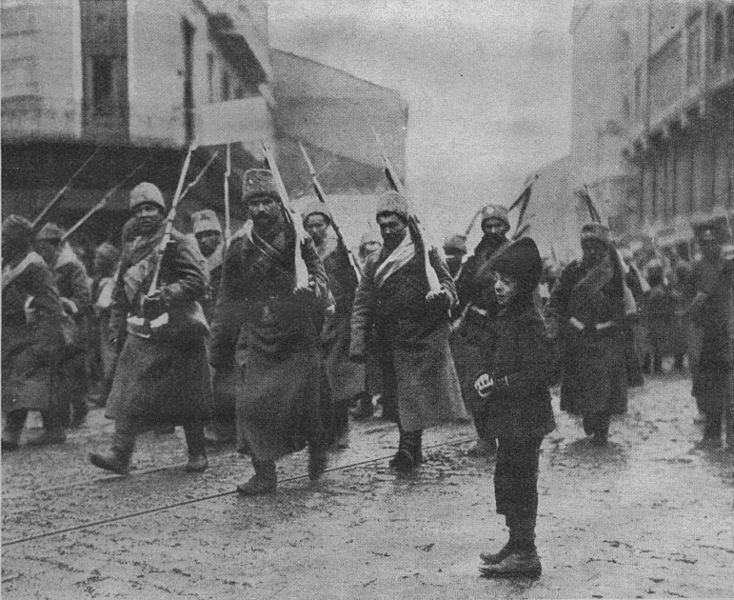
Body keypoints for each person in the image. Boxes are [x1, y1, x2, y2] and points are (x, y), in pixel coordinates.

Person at [210, 169, 331, 495]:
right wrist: (219, 340)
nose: (260, 210)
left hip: (296, 333)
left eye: (266, 201)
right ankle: (264, 473)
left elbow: (320, 279)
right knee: (250, 404)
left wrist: (311, 291)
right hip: (258, 334)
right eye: (254, 203)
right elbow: (228, 297)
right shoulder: (238, 247)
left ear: (278, 203)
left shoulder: (298, 239)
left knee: (303, 404)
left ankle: (317, 448)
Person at [89, 182, 212, 474]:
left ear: (161, 210)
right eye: (139, 210)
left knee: (187, 395)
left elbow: (197, 281)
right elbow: (121, 291)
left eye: (151, 208)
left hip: (178, 329)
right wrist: (117, 326)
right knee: (129, 393)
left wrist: (167, 294)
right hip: (143, 331)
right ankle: (120, 454)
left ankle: (197, 453)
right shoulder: (131, 246)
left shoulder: (177, 241)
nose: (145, 214)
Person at [350, 191, 467, 475]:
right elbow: (363, 302)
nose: (388, 231)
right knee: (399, 397)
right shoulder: (374, 260)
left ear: (405, 223)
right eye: (384, 226)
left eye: (394, 225)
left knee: (412, 394)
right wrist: (358, 341)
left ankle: (407, 447)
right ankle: (411, 446)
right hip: (390, 338)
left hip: (424, 335)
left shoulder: (426, 251)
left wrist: (444, 298)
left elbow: (449, 286)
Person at [472, 237, 554, 578]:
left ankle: (527, 552)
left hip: (527, 417)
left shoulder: (530, 320)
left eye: (506, 282)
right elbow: (502, 360)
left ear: (522, 286)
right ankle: (516, 542)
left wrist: (499, 384)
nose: (498, 287)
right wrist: (486, 377)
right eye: (496, 281)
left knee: (521, 481)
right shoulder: (508, 316)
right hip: (511, 417)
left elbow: (539, 373)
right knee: (507, 477)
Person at [546, 222, 628, 445]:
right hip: (578, 337)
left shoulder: (615, 271)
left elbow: (626, 305)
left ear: (605, 248)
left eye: (597, 247)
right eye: (587, 246)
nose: (592, 251)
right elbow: (557, 300)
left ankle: (602, 429)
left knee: (604, 385)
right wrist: (561, 321)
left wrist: (612, 324)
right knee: (582, 386)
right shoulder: (573, 270)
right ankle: (590, 416)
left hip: (606, 337)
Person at [2, 215, 69, 450]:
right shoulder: (8, 264)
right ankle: (54, 429)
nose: (1, 242)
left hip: (33, 334)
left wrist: (46, 341)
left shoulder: (34, 265)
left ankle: (11, 432)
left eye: (5, 238)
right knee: (34, 384)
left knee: (22, 381)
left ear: (17, 241)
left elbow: (52, 305)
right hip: (13, 333)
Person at [302, 199, 364, 449]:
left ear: (327, 225)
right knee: (316, 381)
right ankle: (323, 430)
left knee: (336, 379)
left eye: (320, 224)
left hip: (339, 320)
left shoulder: (340, 250)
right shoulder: (303, 250)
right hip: (314, 320)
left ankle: (341, 429)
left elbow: (352, 285)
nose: (315, 230)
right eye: (310, 225)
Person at [454, 205, 511, 457]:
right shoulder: (475, 259)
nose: (493, 230)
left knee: (502, 383)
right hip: (476, 330)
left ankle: (508, 436)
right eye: (488, 226)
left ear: (506, 227)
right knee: (475, 381)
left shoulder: (515, 254)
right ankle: (485, 438)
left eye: (498, 226)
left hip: (504, 328)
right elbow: (461, 292)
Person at [35, 222, 92, 428]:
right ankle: (61, 417)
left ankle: (80, 410)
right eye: (39, 248)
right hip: (55, 329)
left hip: (74, 328)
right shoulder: (44, 267)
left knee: (74, 372)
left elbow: (83, 299)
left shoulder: (72, 266)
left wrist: (65, 304)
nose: (42, 252)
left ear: (56, 246)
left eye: (45, 248)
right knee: (57, 373)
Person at [191, 209, 235, 446]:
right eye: (200, 236)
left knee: (226, 377)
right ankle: (215, 424)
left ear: (219, 235)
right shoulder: (197, 263)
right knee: (209, 378)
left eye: (210, 234)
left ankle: (227, 426)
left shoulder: (228, 256)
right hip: (206, 324)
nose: (205, 240)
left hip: (228, 322)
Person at [689, 226, 732, 448]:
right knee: (711, 386)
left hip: (727, 334)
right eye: (705, 243)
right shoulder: (698, 268)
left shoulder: (727, 267)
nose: (709, 247)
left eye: (713, 242)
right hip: (711, 336)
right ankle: (713, 433)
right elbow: (691, 303)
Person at [350, 229, 384, 421]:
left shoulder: (384, 266)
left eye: (375, 245)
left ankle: (382, 403)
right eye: (367, 246)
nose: (371, 249)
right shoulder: (358, 267)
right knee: (365, 367)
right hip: (365, 324)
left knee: (381, 367)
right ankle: (364, 402)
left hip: (381, 322)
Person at [89, 241, 121, 406]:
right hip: (100, 321)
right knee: (102, 357)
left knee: (109, 356)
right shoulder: (100, 279)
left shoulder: (109, 281)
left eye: (99, 258)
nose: (95, 260)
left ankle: (107, 395)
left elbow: (105, 303)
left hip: (107, 321)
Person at [642, 259, 674, 375]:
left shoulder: (654, 285)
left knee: (653, 342)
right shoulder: (657, 287)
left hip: (654, 316)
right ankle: (653, 366)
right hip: (655, 316)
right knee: (654, 342)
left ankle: (651, 366)